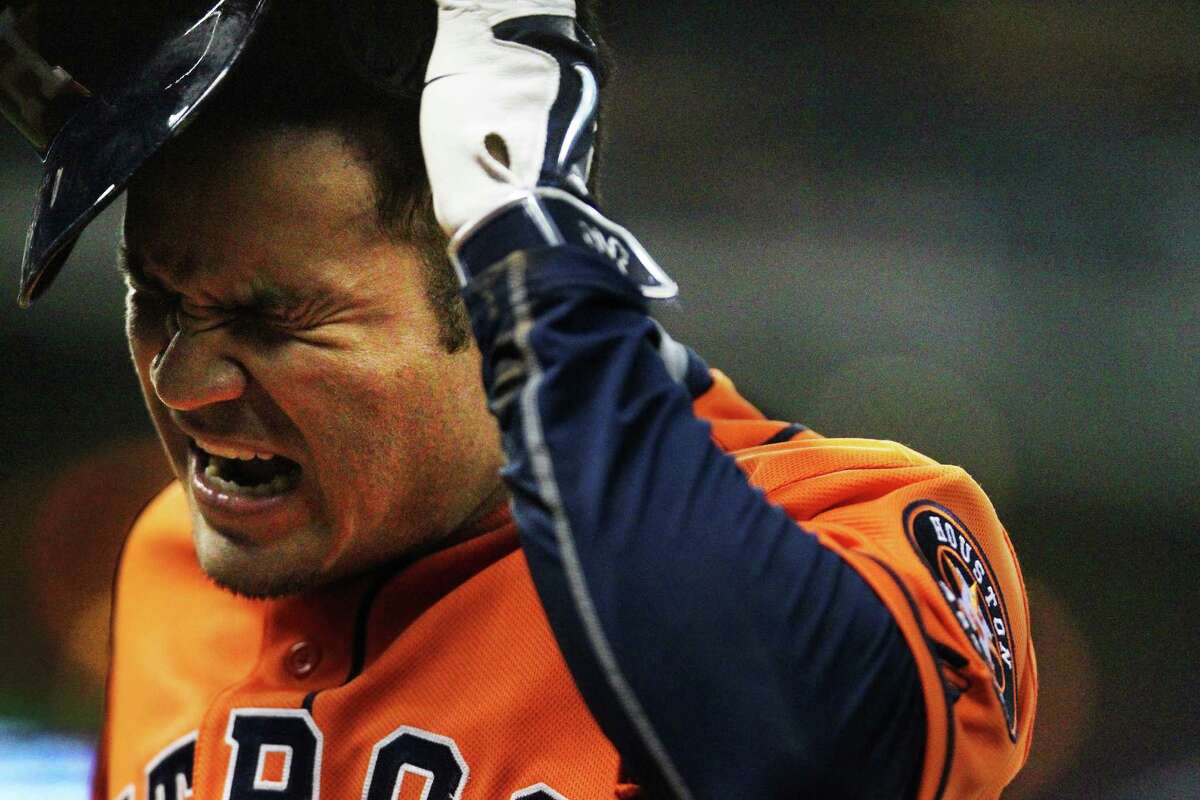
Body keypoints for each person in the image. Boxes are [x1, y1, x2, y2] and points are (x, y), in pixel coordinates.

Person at [1, 1, 1037, 798]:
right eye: (158, 299)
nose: (183, 382)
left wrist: (530, 239)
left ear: (490, 294)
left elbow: (801, 756)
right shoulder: (168, 560)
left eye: (272, 323)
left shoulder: (852, 524)